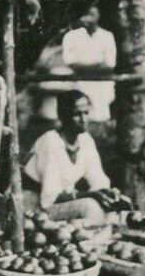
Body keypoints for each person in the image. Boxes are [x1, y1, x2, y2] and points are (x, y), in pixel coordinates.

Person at [24, 92, 110, 221]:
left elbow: (98, 180)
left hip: (57, 202)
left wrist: (107, 193)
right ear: (63, 116)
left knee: (109, 206)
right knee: (90, 206)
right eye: (77, 114)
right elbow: (49, 197)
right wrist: (92, 195)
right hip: (33, 205)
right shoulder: (50, 141)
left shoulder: (86, 141)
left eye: (86, 113)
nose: (83, 119)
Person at [60, 0, 118, 125]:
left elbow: (109, 65)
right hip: (80, 85)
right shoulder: (71, 36)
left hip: (102, 88)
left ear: (99, 15)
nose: (88, 18)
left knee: (100, 123)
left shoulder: (107, 36)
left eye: (92, 14)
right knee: (79, 118)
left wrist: (83, 65)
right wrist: (97, 64)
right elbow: (70, 62)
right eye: (86, 14)